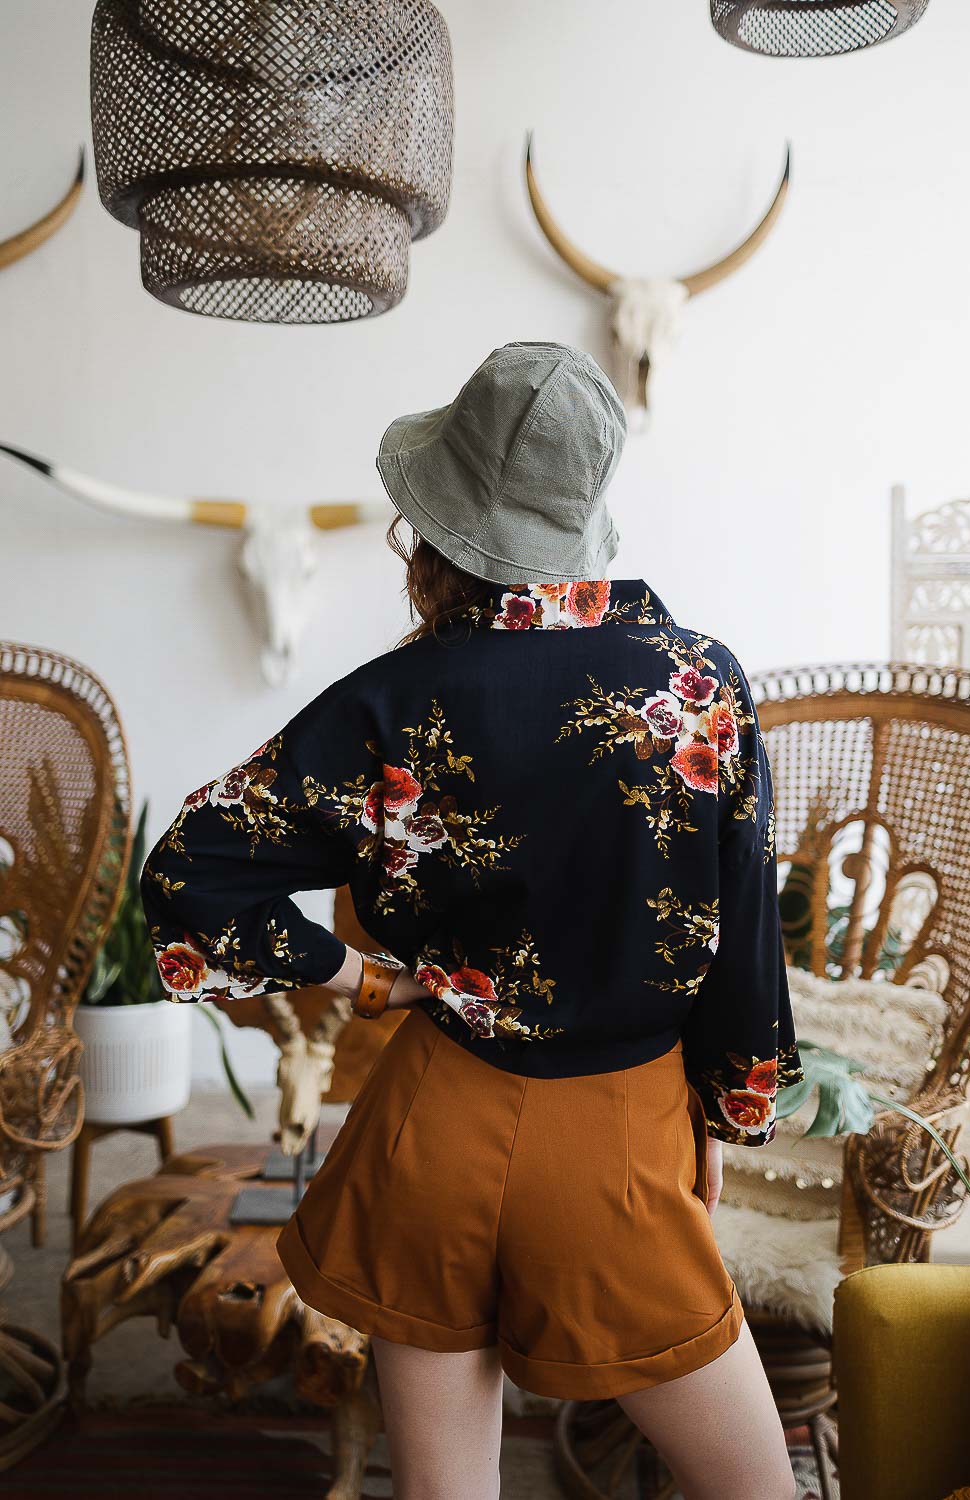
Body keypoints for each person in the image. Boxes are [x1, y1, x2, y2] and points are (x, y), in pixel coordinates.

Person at [141, 341, 801, 1500]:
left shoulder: (388, 703)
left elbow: (189, 873)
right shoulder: (696, 687)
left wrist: (361, 982)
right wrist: (723, 1108)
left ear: (435, 527)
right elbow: (742, 933)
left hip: (427, 1130)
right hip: (621, 1150)